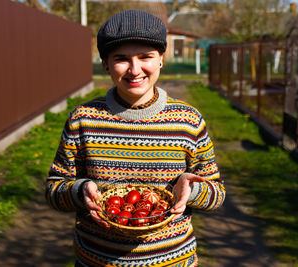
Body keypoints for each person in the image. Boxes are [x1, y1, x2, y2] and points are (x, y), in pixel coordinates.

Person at [45, 9, 225, 267]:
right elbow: (54, 189)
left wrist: (192, 188)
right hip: (98, 260)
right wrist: (79, 190)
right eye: (121, 58)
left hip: (172, 262)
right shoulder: (83, 119)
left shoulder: (188, 121)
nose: (134, 69)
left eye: (145, 57)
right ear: (105, 62)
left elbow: (217, 193)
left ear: (161, 59)